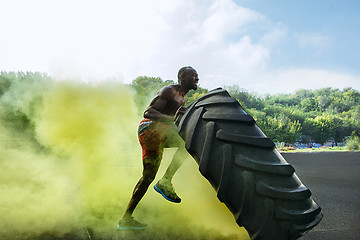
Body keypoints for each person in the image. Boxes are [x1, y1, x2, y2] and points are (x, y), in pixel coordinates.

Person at [117, 66, 199, 230]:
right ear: (182, 77)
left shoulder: (182, 99)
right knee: (187, 141)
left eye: (197, 76)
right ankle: (166, 181)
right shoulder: (169, 91)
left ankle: (125, 220)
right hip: (150, 128)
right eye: (193, 75)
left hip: (158, 134)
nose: (197, 78)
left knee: (147, 178)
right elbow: (148, 112)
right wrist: (173, 118)